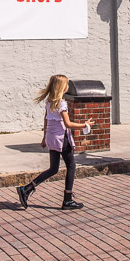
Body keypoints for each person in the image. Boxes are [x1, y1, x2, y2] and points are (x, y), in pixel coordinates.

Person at [17, 75, 93, 210]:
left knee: (53, 169)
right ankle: (67, 200)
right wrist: (84, 125)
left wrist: (44, 137)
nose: (68, 87)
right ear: (62, 87)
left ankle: (27, 189)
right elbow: (68, 124)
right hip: (61, 138)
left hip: (52, 138)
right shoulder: (62, 104)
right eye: (67, 84)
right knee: (71, 166)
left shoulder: (49, 102)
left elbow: (46, 119)